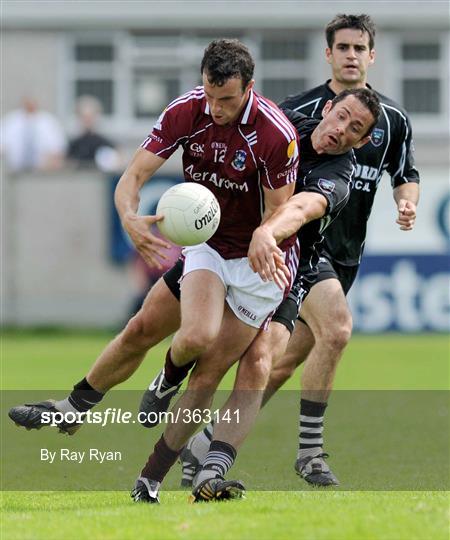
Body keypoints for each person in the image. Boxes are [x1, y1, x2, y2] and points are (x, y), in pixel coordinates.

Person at [8, 39, 299, 457]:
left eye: (227, 99)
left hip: (257, 262)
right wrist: (128, 217)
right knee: (143, 328)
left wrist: (264, 233)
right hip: (208, 249)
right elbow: (133, 177)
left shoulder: (274, 133)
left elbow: (279, 211)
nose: (216, 108)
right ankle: (73, 407)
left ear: (249, 87)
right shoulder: (186, 110)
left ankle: (187, 460)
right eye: (210, 95)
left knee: (217, 361)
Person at [181, 13, 420, 489]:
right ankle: (310, 454)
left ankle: (204, 444)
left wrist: (406, 204)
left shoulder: (393, 121)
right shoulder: (295, 111)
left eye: (360, 48)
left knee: (279, 362)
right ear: (328, 54)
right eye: (343, 47)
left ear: (372, 56)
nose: (351, 55)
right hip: (301, 251)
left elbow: (405, 172)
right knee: (339, 327)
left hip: (346, 254)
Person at [133, 87, 381, 503]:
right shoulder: (283, 128)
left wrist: (266, 232)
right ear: (327, 109)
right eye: (341, 117)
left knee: (259, 362)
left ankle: (212, 470)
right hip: (224, 248)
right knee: (199, 359)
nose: (341, 130)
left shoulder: (339, 176)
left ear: (359, 141)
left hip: (285, 267)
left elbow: (300, 209)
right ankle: (151, 471)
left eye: (354, 129)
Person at [1, 97, 66, 173]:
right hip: (13, 171)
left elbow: (58, 148)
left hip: (41, 171)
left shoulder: (48, 121)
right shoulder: (10, 121)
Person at [67, 95, 118, 170]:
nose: (87, 121)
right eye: (84, 117)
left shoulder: (105, 144)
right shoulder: (73, 146)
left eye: (90, 117)